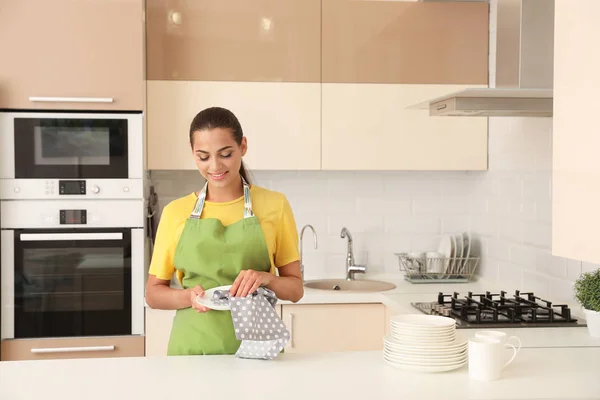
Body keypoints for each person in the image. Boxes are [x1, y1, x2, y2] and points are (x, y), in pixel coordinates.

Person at [145, 106, 304, 356]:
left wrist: (266, 279)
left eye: (226, 154)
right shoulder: (176, 212)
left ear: (243, 146)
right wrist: (189, 298)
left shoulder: (275, 205)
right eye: (203, 156)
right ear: (193, 154)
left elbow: (295, 290)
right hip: (193, 350)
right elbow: (153, 294)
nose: (215, 166)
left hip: (258, 351)